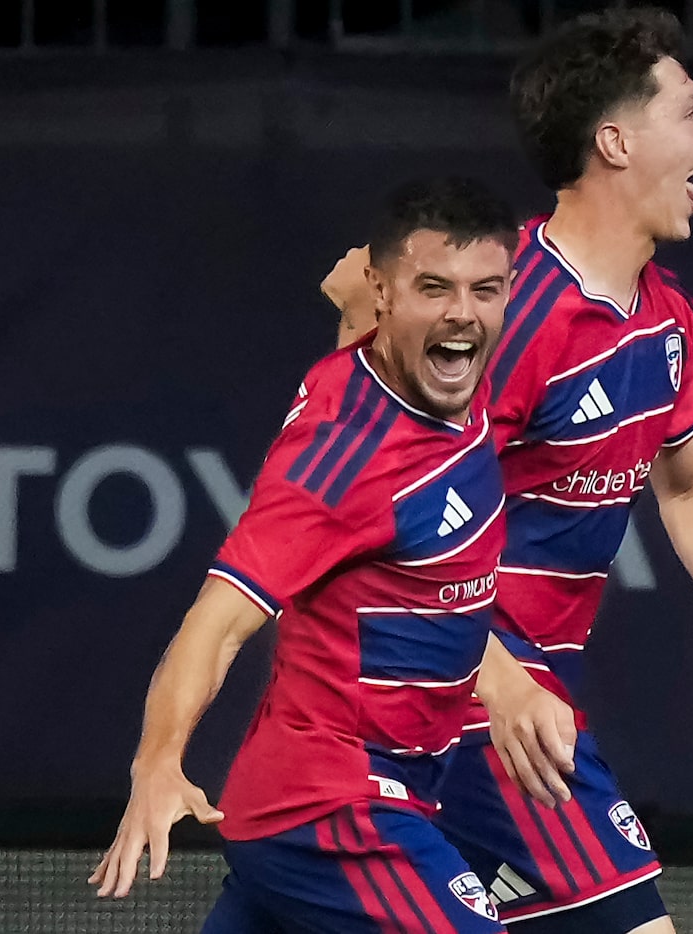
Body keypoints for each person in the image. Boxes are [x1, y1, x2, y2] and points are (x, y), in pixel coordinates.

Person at [320, 10, 693, 933]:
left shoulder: (667, 322)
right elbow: (378, 505)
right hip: (452, 685)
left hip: (507, 690)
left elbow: (692, 482)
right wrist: (495, 678)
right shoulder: (505, 311)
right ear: (615, 141)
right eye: (690, 111)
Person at [90, 176, 519, 934]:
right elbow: (217, 623)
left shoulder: (438, 365)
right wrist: (157, 760)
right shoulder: (340, 462)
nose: (462, 312)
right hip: (331, 810)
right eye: (433, 288)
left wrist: (359, 293)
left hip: (360, 797)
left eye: (484, 290)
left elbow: (351, 279)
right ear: (387, 294)